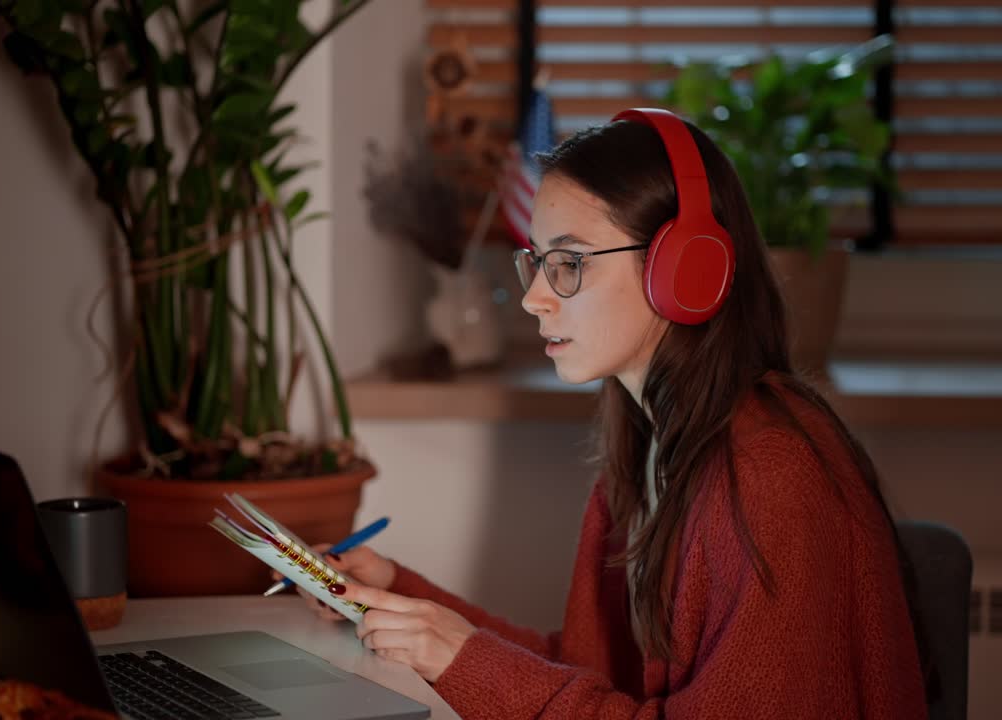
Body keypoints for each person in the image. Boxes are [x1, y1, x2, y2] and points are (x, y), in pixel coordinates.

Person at [290, 108, 930, 719]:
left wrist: (460, 657)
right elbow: (586, 678)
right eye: (537, 262)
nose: (536, 298)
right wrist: (400, 594)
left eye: (568, 263)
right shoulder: (648, 443)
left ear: (685, 269)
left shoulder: (770, 475)